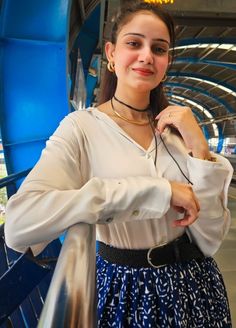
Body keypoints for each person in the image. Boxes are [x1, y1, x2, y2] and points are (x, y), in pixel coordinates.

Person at [4, 1, 233, 327]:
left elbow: (209, 238)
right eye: (133, 43)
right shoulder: (81, 127)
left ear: (167, 61)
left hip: (196, 291)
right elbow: (19, 224)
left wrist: (199, 148)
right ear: (111, 54)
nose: (146, 56)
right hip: (124, 292)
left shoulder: (177, 133)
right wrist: (154, 192)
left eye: (159, 48)